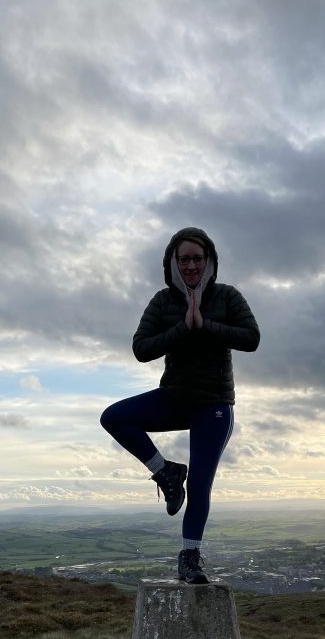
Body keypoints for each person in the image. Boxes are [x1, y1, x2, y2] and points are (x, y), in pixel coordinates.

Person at [100, 227, 260, 584]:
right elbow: (142, 349)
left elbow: (252, 338)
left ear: (210, 261)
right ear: (173, 262)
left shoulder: (228, 296)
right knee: (114, 417)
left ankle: (190, 558)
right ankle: (166, 471)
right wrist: (182, 330)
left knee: (201, 483)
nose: (191, 265)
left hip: (214, 405)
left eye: (197, 259)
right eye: (184, 259)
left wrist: (204, 325)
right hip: (174, 397)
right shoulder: (162, 301)